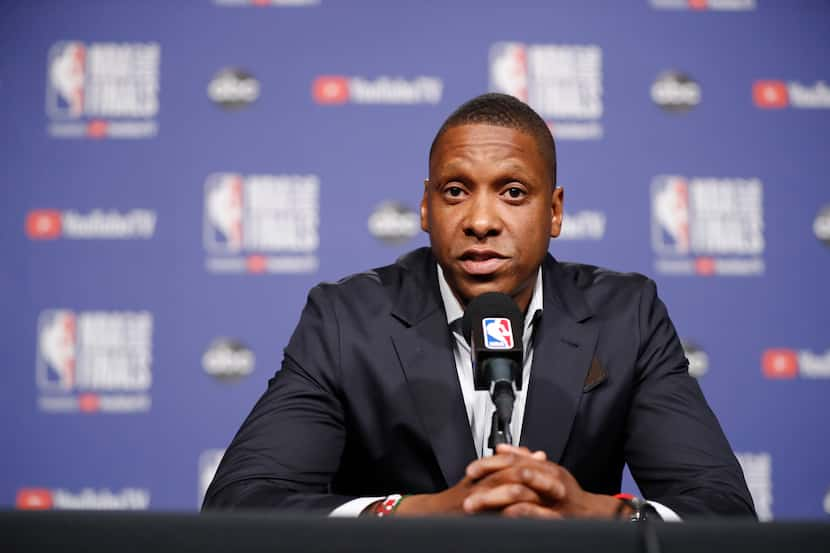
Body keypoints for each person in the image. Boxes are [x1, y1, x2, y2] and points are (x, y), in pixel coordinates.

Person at [203, 93, 755, 520]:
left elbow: (723, 511)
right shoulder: (348, 319)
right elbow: (239, 503)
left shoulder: (625, 316)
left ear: (555, 211)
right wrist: (422, 512)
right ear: (424, 207)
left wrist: (594, 512)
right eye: (455, 191)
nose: (482, 220)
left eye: (513, 192)